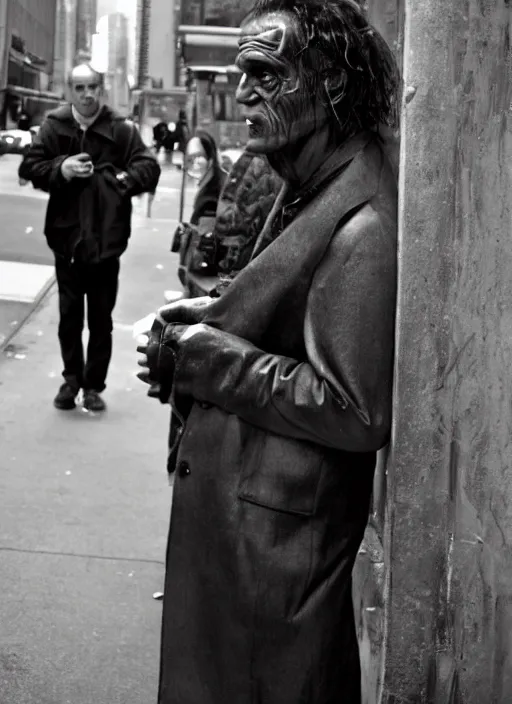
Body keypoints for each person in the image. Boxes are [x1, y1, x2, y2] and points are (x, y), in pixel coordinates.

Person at [138, 0, 400, 700]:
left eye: (265, 73)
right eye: (239, 72)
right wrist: (210, 316)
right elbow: (285, 307)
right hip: (254, 540)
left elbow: (354, 410)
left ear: (332, 85)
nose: (244, 90)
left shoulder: (361, 228)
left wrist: (208, 356)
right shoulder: (310, 181)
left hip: (275, 562)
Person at [19, 63, 160, 412]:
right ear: (70, 90)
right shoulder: (55, 126)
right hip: (66, 242)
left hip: (106, 244)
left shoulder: (120, 128)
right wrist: (61, 169)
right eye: (79, 88)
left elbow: (149, 167)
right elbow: (29, 167)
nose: (86, 94)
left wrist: (119, 181)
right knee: (70, 318)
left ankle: (93, 386)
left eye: (92, 87)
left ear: (101, 89)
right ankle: (71, 380)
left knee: (101, 321)